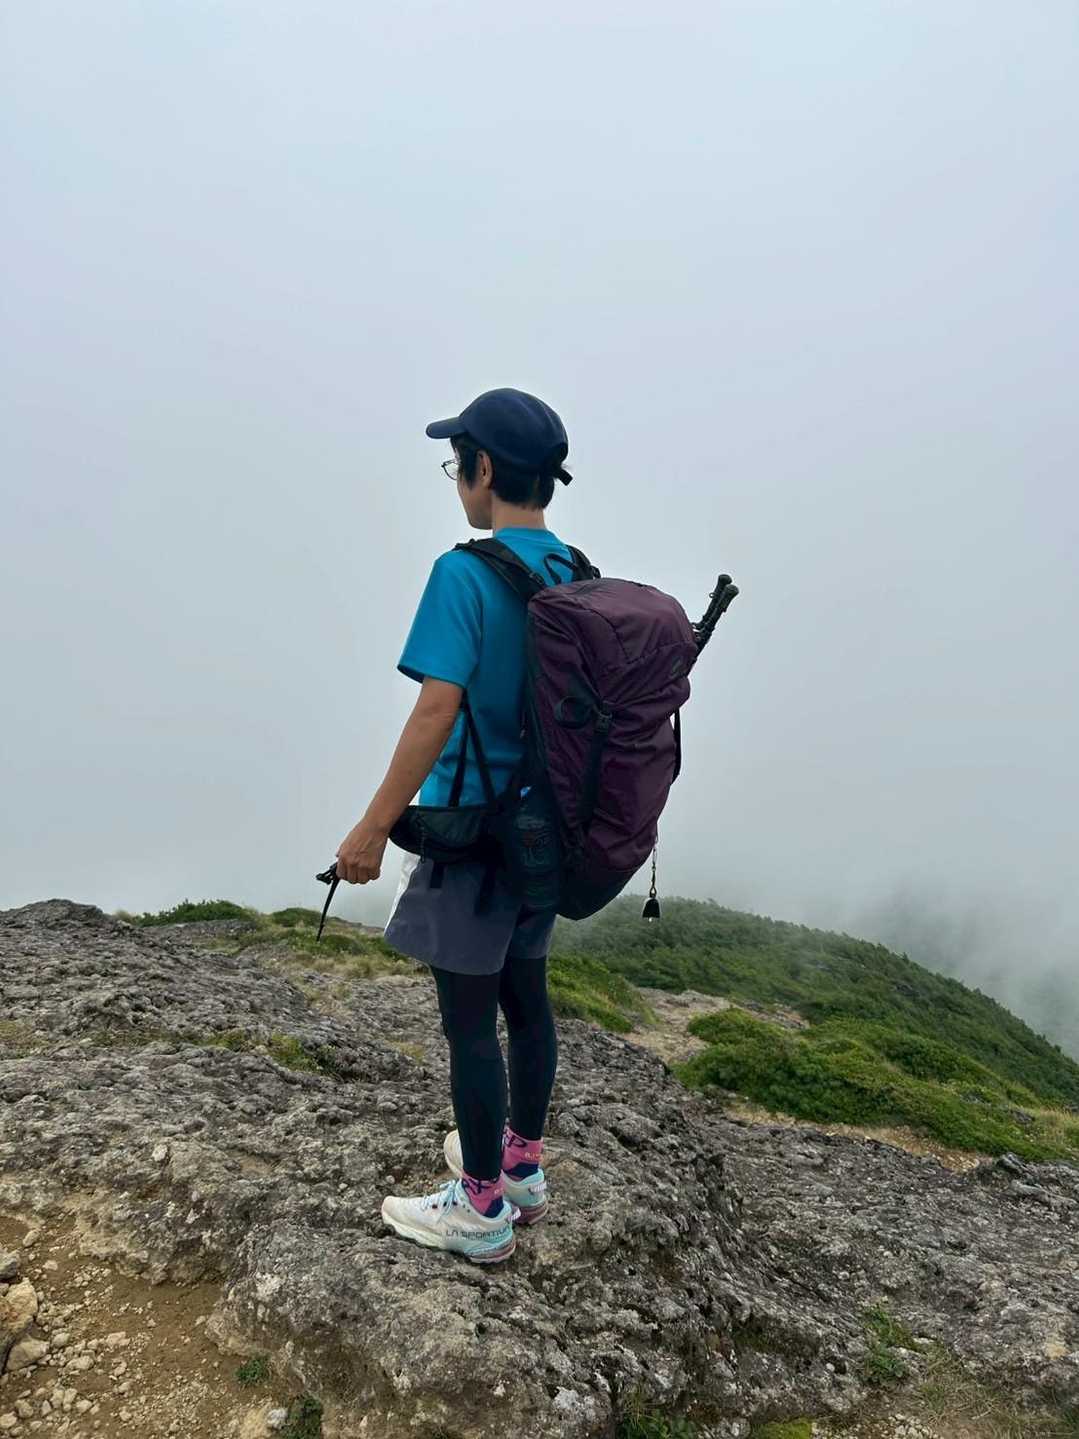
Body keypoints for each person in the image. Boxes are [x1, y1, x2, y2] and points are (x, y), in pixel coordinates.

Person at [333, 388, 577, 1264]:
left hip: (472, 835)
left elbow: (437, 708)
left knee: (470, 1023)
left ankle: (478, 1208)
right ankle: (521, 1168)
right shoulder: (574, 571)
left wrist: (372, 827)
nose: (458, 480)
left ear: (482, 468)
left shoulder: (465, 573)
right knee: (527, 1003)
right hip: (544, 836)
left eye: (458, 464)